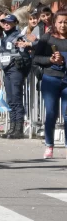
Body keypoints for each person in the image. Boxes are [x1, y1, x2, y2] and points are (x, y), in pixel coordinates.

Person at [31, 9, 67, 159]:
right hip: (50, 79)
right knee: (51, 113)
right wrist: (50, 60)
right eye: (60, 22)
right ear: (54, 23)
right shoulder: (47, 38)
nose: (63, 25)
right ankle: (49, 145)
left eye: (66, 22)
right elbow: (36, 58)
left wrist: (64, 61)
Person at [0, 14, 30, 139]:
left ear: (15, 23)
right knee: (10, 100)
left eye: (9, 22)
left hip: (16, 70)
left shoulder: (19, 36)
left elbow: (26, 54)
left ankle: (19, 129)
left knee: (16, 99)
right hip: (7, 71)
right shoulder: (4, 38)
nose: (6, 24)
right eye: (4, 22)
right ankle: (12, 128)